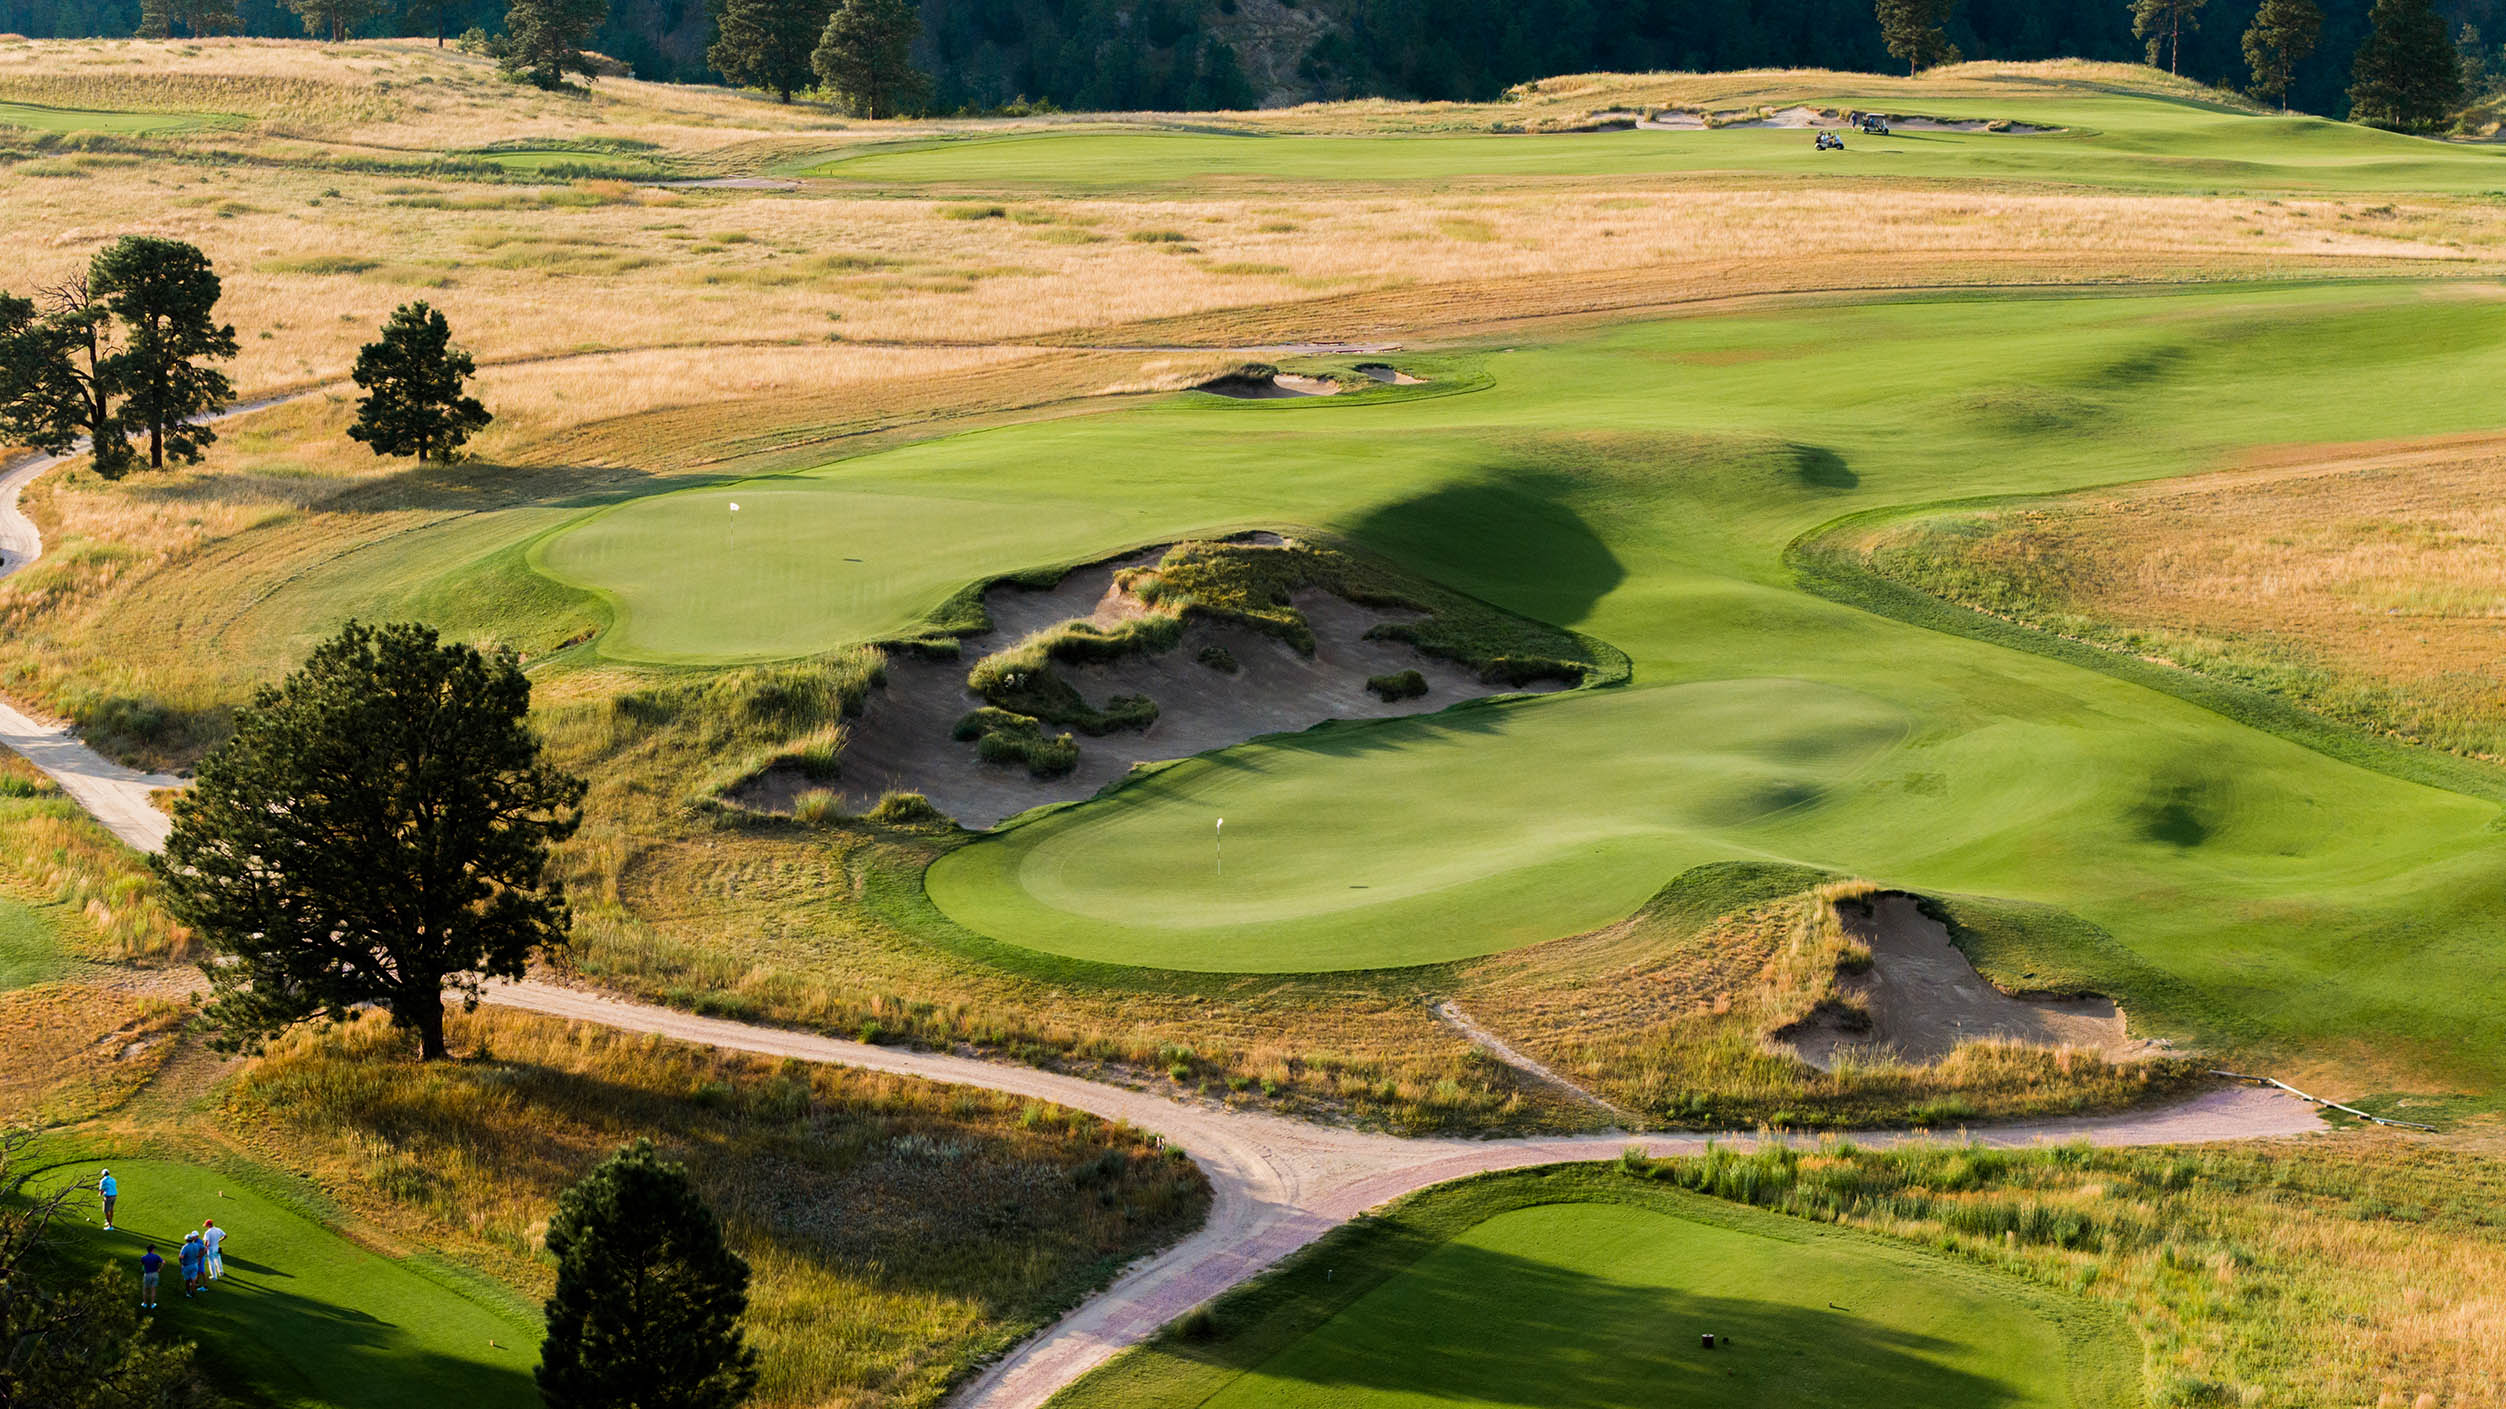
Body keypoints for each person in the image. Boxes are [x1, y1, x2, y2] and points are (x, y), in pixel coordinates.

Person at [179, 1230, 205, 1297]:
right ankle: (193, 1292)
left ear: (186, 1240)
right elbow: (204, 1248)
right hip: (195, 1265)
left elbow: (181, 1257)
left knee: (187, 1280)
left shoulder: (185, 1247)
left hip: (187, 1266)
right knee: (193, 1280)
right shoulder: (196, 1245)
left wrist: (181, 1264)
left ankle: (188, 1292)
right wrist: (200, 1257)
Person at [138, 1244, 161, 1311]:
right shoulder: (156, 1256)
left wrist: (143, 1269)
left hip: (147, 1274)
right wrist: (159, 1269)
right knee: (153, 1289)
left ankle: (145, 1303)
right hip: (155, 1274)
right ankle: (152, 1304)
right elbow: (163, 1262)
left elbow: (142, 1264)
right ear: (152, 1250)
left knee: (145, 1289)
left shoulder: (143, 1257)